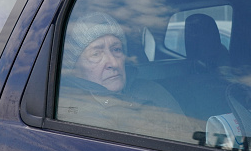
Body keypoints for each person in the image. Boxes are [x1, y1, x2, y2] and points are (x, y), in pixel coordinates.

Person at [57, 12, 198, 143]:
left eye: (116, 49)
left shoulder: (152, 90)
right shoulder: (73, 110)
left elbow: (190, 138)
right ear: (75, 69)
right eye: (96, 54)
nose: (113, 62)